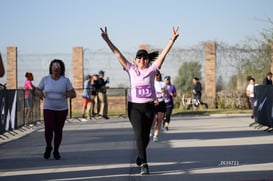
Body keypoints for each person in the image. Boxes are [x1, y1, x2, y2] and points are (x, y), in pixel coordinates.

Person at [100, 26, 179, 175]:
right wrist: (107, 40)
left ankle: (140, 155)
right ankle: (144, 163)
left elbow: (163, 54)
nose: (142, 60)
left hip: (149, 107)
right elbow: (117, 54)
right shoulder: (130, 69)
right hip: (134, 107)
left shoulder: (152, 69)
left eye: (145, 57)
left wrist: (172, 40)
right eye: (139, 58)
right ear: (136, 60)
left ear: (148, 60)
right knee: (138, 135)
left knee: (145, 136)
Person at [35, 59, 76, 160]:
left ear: (61, 69)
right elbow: (37, 90)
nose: (56, 68)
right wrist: (39, 93)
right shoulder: (45, 79)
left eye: (58, 67)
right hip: (48, 107)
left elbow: (73, 93)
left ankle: (56, 150)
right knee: (48, 128)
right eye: (54, 66)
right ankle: (49, 146)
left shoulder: (65, 80)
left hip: (62, 109)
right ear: (51, 68)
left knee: (58, 130)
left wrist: (67, 94)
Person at [151, 70, 166, 142]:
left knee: (159, 119)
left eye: (158, 75)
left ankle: (155, 135)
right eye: (155, 75)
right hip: (153, 103)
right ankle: (150, 129)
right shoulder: (151, 83)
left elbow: (167, 93)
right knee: (153, 120)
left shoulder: (163, 83)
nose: (157, 76)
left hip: (161, 102)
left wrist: (165, 91)